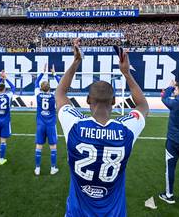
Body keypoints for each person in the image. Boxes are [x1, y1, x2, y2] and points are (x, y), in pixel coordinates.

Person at [56, 39, 149, 216]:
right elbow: (143, 106)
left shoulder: (74, 125)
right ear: (114, 101)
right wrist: (127, 73)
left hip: (77, 212)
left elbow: (60, 92)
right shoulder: (125, 130)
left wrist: (76, 61)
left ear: (88, 100)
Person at [33, 64, 61, 176]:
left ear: (41, 88)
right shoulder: (54, 95)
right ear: (49, 88)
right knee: (53, 146)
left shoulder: (38, 94)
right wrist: (54, 74)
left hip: (40, 124)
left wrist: (42, 72)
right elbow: (61, 85)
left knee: (39, 146)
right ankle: (53, 168)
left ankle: (37, 168)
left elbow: (36, 83)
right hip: (50, 124)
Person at [0, 70, 15, 165]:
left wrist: (0, 78)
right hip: (5, 120)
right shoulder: (8, 96)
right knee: (3, 140)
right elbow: (13, 87)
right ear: (4, 89)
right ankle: (1, 159)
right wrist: (6, 78)